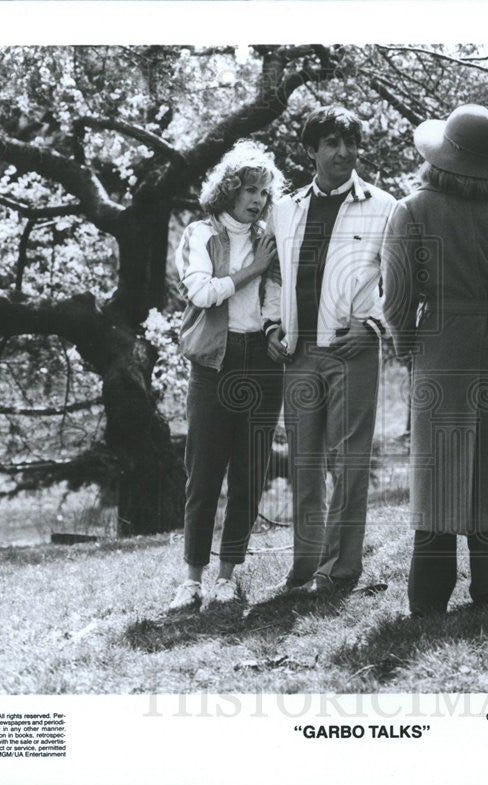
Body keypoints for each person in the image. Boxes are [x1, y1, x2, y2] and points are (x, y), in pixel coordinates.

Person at [381, 104, 488, 616]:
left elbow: (395, 299)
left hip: (438, 343)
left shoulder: (411, 210)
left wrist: (406, 345)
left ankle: (429, 599)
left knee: (439, 467)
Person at [262, 106, 397, 595]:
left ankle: (339, 573)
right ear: (312, 151)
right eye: (332, 143)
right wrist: (271, 325)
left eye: (351, 143)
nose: (344, 152)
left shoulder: (385, 206)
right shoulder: (283, 208)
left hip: (351, 352)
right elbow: (274, 276)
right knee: (304, 464)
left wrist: (375, 326)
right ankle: (304, 568)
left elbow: (403, 281)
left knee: (348, 463)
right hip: (297, 354)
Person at [168, 140, 285, 611]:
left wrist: (275, 327)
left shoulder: (266, 240)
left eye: (264, 191)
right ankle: (192, 579)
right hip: (214, 362)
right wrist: (250, 270)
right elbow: (201, 292)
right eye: (249, 189)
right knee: (204, 472)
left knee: (250, 472)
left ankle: (226, 577)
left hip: (261, 361)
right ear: (229, 190)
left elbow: (274, 291)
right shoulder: (201, 235)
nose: (257, 199)